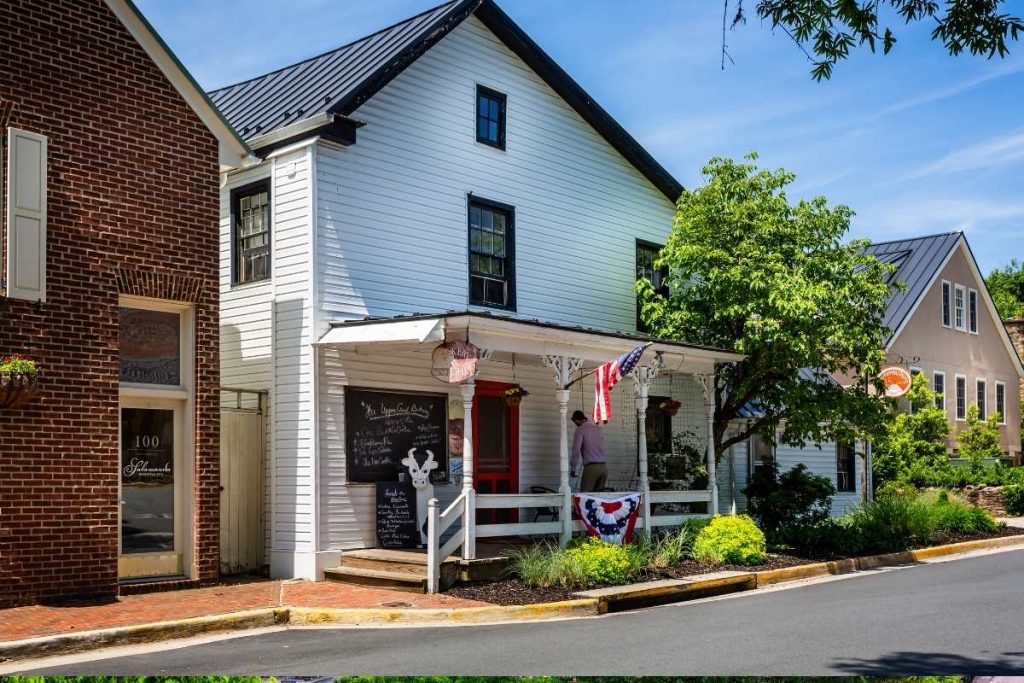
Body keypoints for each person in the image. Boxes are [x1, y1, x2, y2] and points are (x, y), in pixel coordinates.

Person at [570, 410, 608, 492]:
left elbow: (576, 450)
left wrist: (573, 468)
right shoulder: (598, 429)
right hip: (603, 467)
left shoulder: (580, 430)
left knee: (585, 497)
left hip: (591, 468)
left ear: (576, 420)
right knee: (599, 498)